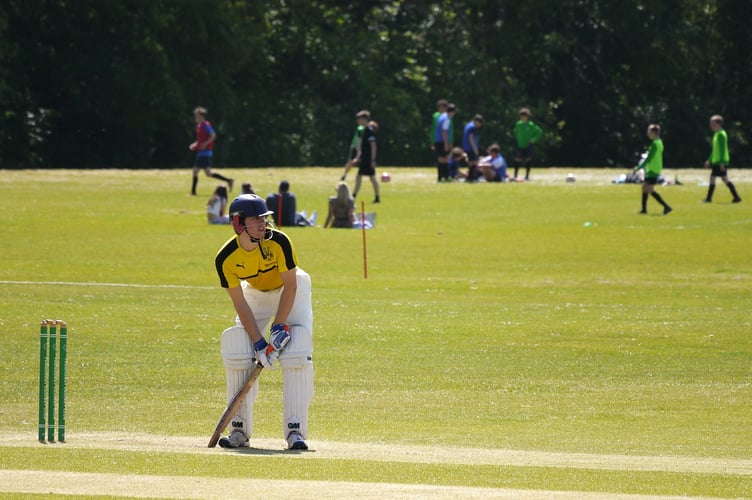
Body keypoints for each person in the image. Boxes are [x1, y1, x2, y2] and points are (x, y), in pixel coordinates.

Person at [214, 194, 314, 450]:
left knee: (297, 348)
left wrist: (279, 328)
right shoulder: (225, 259)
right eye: (256, 219)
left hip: (289, 289)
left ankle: (296, 431)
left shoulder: (279, 241)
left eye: (264, 218)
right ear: (238, 224)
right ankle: (239, 430)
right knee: (239, 346)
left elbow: (291, 286)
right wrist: (259, 342)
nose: (263, 224)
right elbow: (240, 303)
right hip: (255, 293)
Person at [190, 106, 233, 195]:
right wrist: (195, 144)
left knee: (195, 170)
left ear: (201, 116)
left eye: (196, 116)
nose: (195, 118)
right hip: (201, 153)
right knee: (208, 173)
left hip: (205, 153)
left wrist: (205, 144)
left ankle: (193, 192)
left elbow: (213, 135)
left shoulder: (205, 125)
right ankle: (228, 180)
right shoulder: (199, 126)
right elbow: (201, 139)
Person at [634, 124, 672, 215]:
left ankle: (666, 207)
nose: (648, 133)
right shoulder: (659, 142)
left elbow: (649, 158)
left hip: (653, 169)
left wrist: (638, 167)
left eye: (649, 131)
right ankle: (644, 210)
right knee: (645, 188)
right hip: (654, 168)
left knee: (649, 189)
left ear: (654, 133)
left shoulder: (655, 144)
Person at [703, 115, 741, 203]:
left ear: (718, 124)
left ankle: (709, 199)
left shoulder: (721, 134)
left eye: (713, 123)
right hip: (717, 161)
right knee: (723, 178)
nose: (711, 125)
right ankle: (736, 197)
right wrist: (709, 160)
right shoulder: (716, 134)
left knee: (717, 178)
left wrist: (722, 163)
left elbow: (723, 149)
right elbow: (715, 149)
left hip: (720, 161)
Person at [352, 111, 380, 203]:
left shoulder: (369, 131)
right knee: (368, 177)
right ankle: (376, 197)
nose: (358, 121)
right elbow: (359, 144)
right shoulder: (361, 130)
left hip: (368, 158)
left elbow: (373, 146)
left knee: (367, 177)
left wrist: (372, 160)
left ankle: (354, 196)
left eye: (359, 119)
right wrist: (358, 156)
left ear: (364, 120)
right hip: (363, 157)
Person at [512, 108, 543, 181]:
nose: (523, 118)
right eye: (522, 116)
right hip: (520, 145)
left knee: (528, 159)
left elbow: (539, 132)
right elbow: (515, 131)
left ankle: (527, 176)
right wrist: (518, 139)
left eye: (524, 116)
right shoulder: (518, 124)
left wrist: (534, 139)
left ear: (527, 116)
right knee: (517, 159)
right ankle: (515, 176)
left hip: (528, 145)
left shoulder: (530, 125)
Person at [433, 103, 457, 181]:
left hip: (438, 140)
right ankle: (446, 176)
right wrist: (446, 143)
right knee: (445, 159)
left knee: (441, 159)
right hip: (442, 141)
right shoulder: (447, 119)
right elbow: (444, 131)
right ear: (452, 112)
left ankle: (440, 177)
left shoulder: (441, 116)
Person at [462, 114, 484, 181]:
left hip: (466, 147)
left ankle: (470, 177)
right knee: (474, 162)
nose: (479, 125)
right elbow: (471, 138)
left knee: (470, 162)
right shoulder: (473, 127)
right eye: (480, 123)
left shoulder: (468, 125)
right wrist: (475, 149)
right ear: (477, 121)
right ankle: (472, 177)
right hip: (471, 147)